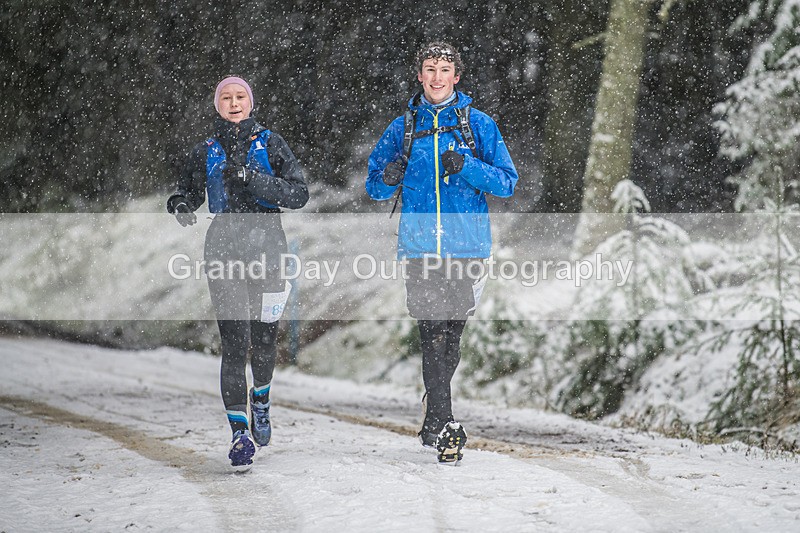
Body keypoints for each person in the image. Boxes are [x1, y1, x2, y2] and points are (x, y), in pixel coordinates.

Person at [367, 42, 519, 463]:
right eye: (429, 69)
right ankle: (446, 421)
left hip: (467, 247)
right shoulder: (404, 127)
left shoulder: (479, 125)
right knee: (431, 332)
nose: (436, 77)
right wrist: (388, 175)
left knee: (450, 339)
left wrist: (466, 165)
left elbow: (507, 182)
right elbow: (374, 186)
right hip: (419, 248)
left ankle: (434, 416)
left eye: (444, 69)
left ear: (457, 76)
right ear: (419, 75)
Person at [167, 76, 308, 468]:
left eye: (240, 96)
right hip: (223, 249)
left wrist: (254, 180)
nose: (233, 103)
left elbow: (298, 194)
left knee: (263, 341)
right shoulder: (205, 151)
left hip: (269, 249)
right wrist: (180, 204)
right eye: (225, 98)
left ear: (251, 102)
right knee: (235, 341)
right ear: (217, 105)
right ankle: (239, 433)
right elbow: (189, 192)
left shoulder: (271, 143)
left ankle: (260, 400)